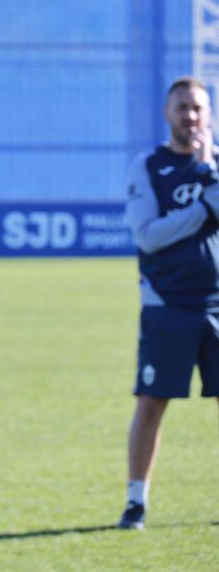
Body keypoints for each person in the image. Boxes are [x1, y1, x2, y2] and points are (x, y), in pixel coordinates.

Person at [121, 75, 219, 530]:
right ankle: (136, 502)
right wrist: (204, 209)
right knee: (152, 401)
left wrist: (210, 171)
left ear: (210, 114)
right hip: (167, 303)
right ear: (167, 113)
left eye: (198, 108)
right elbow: (149, 236)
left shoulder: (217, 167)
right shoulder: (149, 165)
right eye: (182, 107)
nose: (191, 116)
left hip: (218, 306)